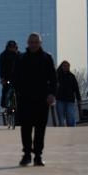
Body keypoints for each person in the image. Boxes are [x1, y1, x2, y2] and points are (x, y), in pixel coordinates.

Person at [12, 33, 56, 166]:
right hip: (25, 99)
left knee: (40, 129)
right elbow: (15, 77)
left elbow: (54, 79)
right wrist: (19, 92)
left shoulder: (47, 58)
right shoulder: (21, 58)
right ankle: (26, 155)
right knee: (25, 128)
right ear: (27, 43)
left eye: (36, 42)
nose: (34, 44)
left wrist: (51, 94)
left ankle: (38, 155)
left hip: (42, 100)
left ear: (40, 43)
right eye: (31, 42)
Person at [55, 60, 81, 127]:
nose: (66, 67)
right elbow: (52, 86)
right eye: (64, 66)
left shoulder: (72, 76)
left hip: (70, 100)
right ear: (61, 66)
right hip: (60, 99)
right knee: (61, 119)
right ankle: (62, 133)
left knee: (71, 118)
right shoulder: (57, 75)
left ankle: (72, 132)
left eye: (67, 66)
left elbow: (76, 88)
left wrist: (79, 99)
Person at [0, 40, 20, 116]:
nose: (12, 49)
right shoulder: (3, 56)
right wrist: (2, 79)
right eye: (10, 47)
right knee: (5, 89)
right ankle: (6, 106)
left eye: (14, 47)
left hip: (17, 79)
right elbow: (1, 68)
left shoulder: (19, 55)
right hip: (7, 78)